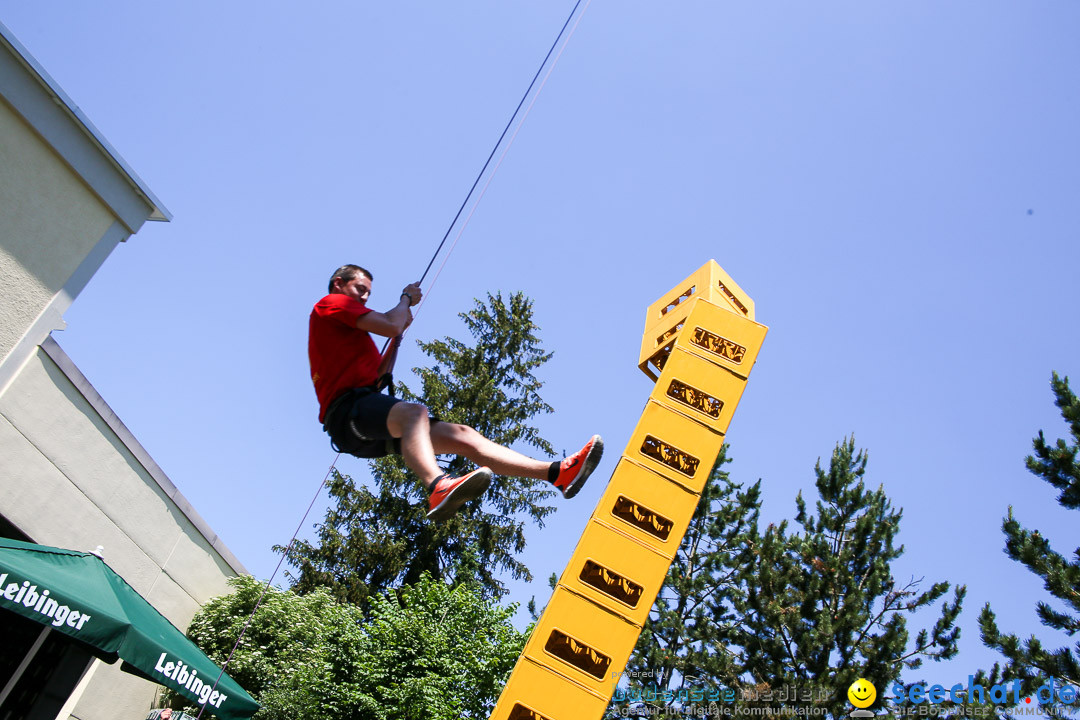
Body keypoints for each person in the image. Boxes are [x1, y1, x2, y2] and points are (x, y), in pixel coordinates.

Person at [309, 264, 604, 521]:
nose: (364, 297)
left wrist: (397, 335)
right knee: (415, 413)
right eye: (360, 289)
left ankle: (556, 473)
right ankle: (437, 486)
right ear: (339, 284)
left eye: (368, 294)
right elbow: (388, 323)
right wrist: (404, 301)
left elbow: (379, 375)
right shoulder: (330, 303)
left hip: (364, 416)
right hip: (347, 414)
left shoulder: (351, 335)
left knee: (463, 435)